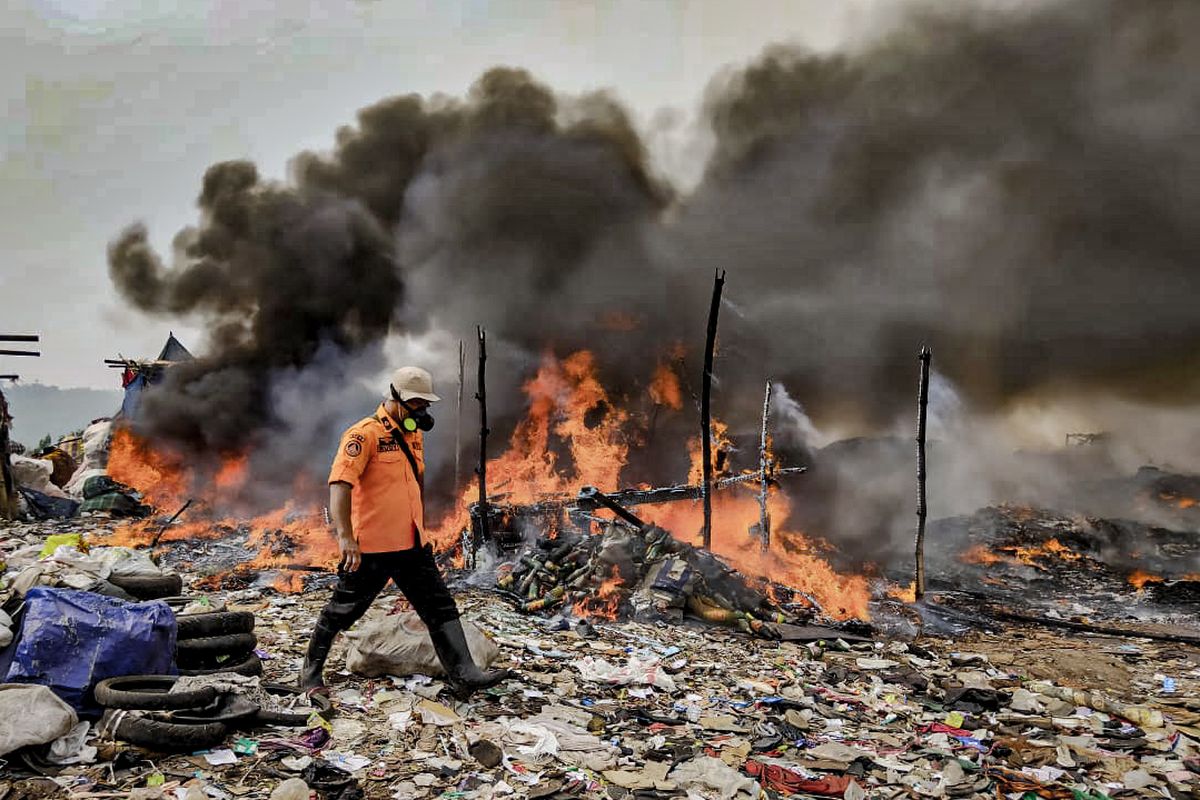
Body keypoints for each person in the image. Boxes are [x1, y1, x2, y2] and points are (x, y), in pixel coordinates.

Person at [300, 366, 512, 699]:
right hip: (372, 547)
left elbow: (411, 485)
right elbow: (340, 485)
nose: (421, 410)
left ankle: (464, 674)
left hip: (411, 544)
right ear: (395, 398)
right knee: (343, 610)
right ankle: (310, 673)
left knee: (439, 607)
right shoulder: (363, 435)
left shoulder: (413, 434)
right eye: (416, 403)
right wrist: (345, 537)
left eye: (425, 403)